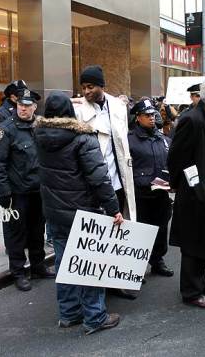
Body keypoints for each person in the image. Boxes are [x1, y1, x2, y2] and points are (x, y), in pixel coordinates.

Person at [35, 91, 122, 335]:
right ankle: (95, 317)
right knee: (88, 265)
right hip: (82, 212)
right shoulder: (83, 138)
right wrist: (114, 208)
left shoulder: (38, 135)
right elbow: (99, 178)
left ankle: (69, 313)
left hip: (54, 213)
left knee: (65, 264)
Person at [75, 65, 136, 299]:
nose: (86, 91)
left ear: (102, 85)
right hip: (94, 183)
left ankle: (117, 279)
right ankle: (96, 283)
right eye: (83, 87)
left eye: (90, 86)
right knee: (98, 235)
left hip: (119, 180)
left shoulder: (118, 106)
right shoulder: (80, 112)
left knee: (118, 231)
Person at [168, 78, 205, 309]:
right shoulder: (191, 119)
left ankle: (200, 281)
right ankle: (191, 292)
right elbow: (176, 156)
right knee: (194, 241)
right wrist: (185, 185)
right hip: (195, 192)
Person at [0, 89, 54, 291]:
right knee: (16, 234)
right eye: (20, 105)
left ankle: (38, 266)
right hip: (16, 193)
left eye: (27, 105)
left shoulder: (40, 125)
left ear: (35, 107)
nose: (23, 109)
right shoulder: (6, 129)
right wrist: (3, 193)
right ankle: (18, 272)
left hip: (38, 190)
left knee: (37, 230)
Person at [128, 99, 174, 277]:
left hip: (161, 193)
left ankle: (157, 261)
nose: (151, 118)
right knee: (140, 231)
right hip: (141, 194)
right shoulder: (129, 140)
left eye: (153, 114)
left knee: (161, 229)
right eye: (147, 115)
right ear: (138, 118)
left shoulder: (163, 139)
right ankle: (137, 266)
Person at [0, 80, 28, 155]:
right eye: (21, 94)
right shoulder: (0, 114)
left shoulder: (23, 109)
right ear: (12, 96)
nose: (24, 97)